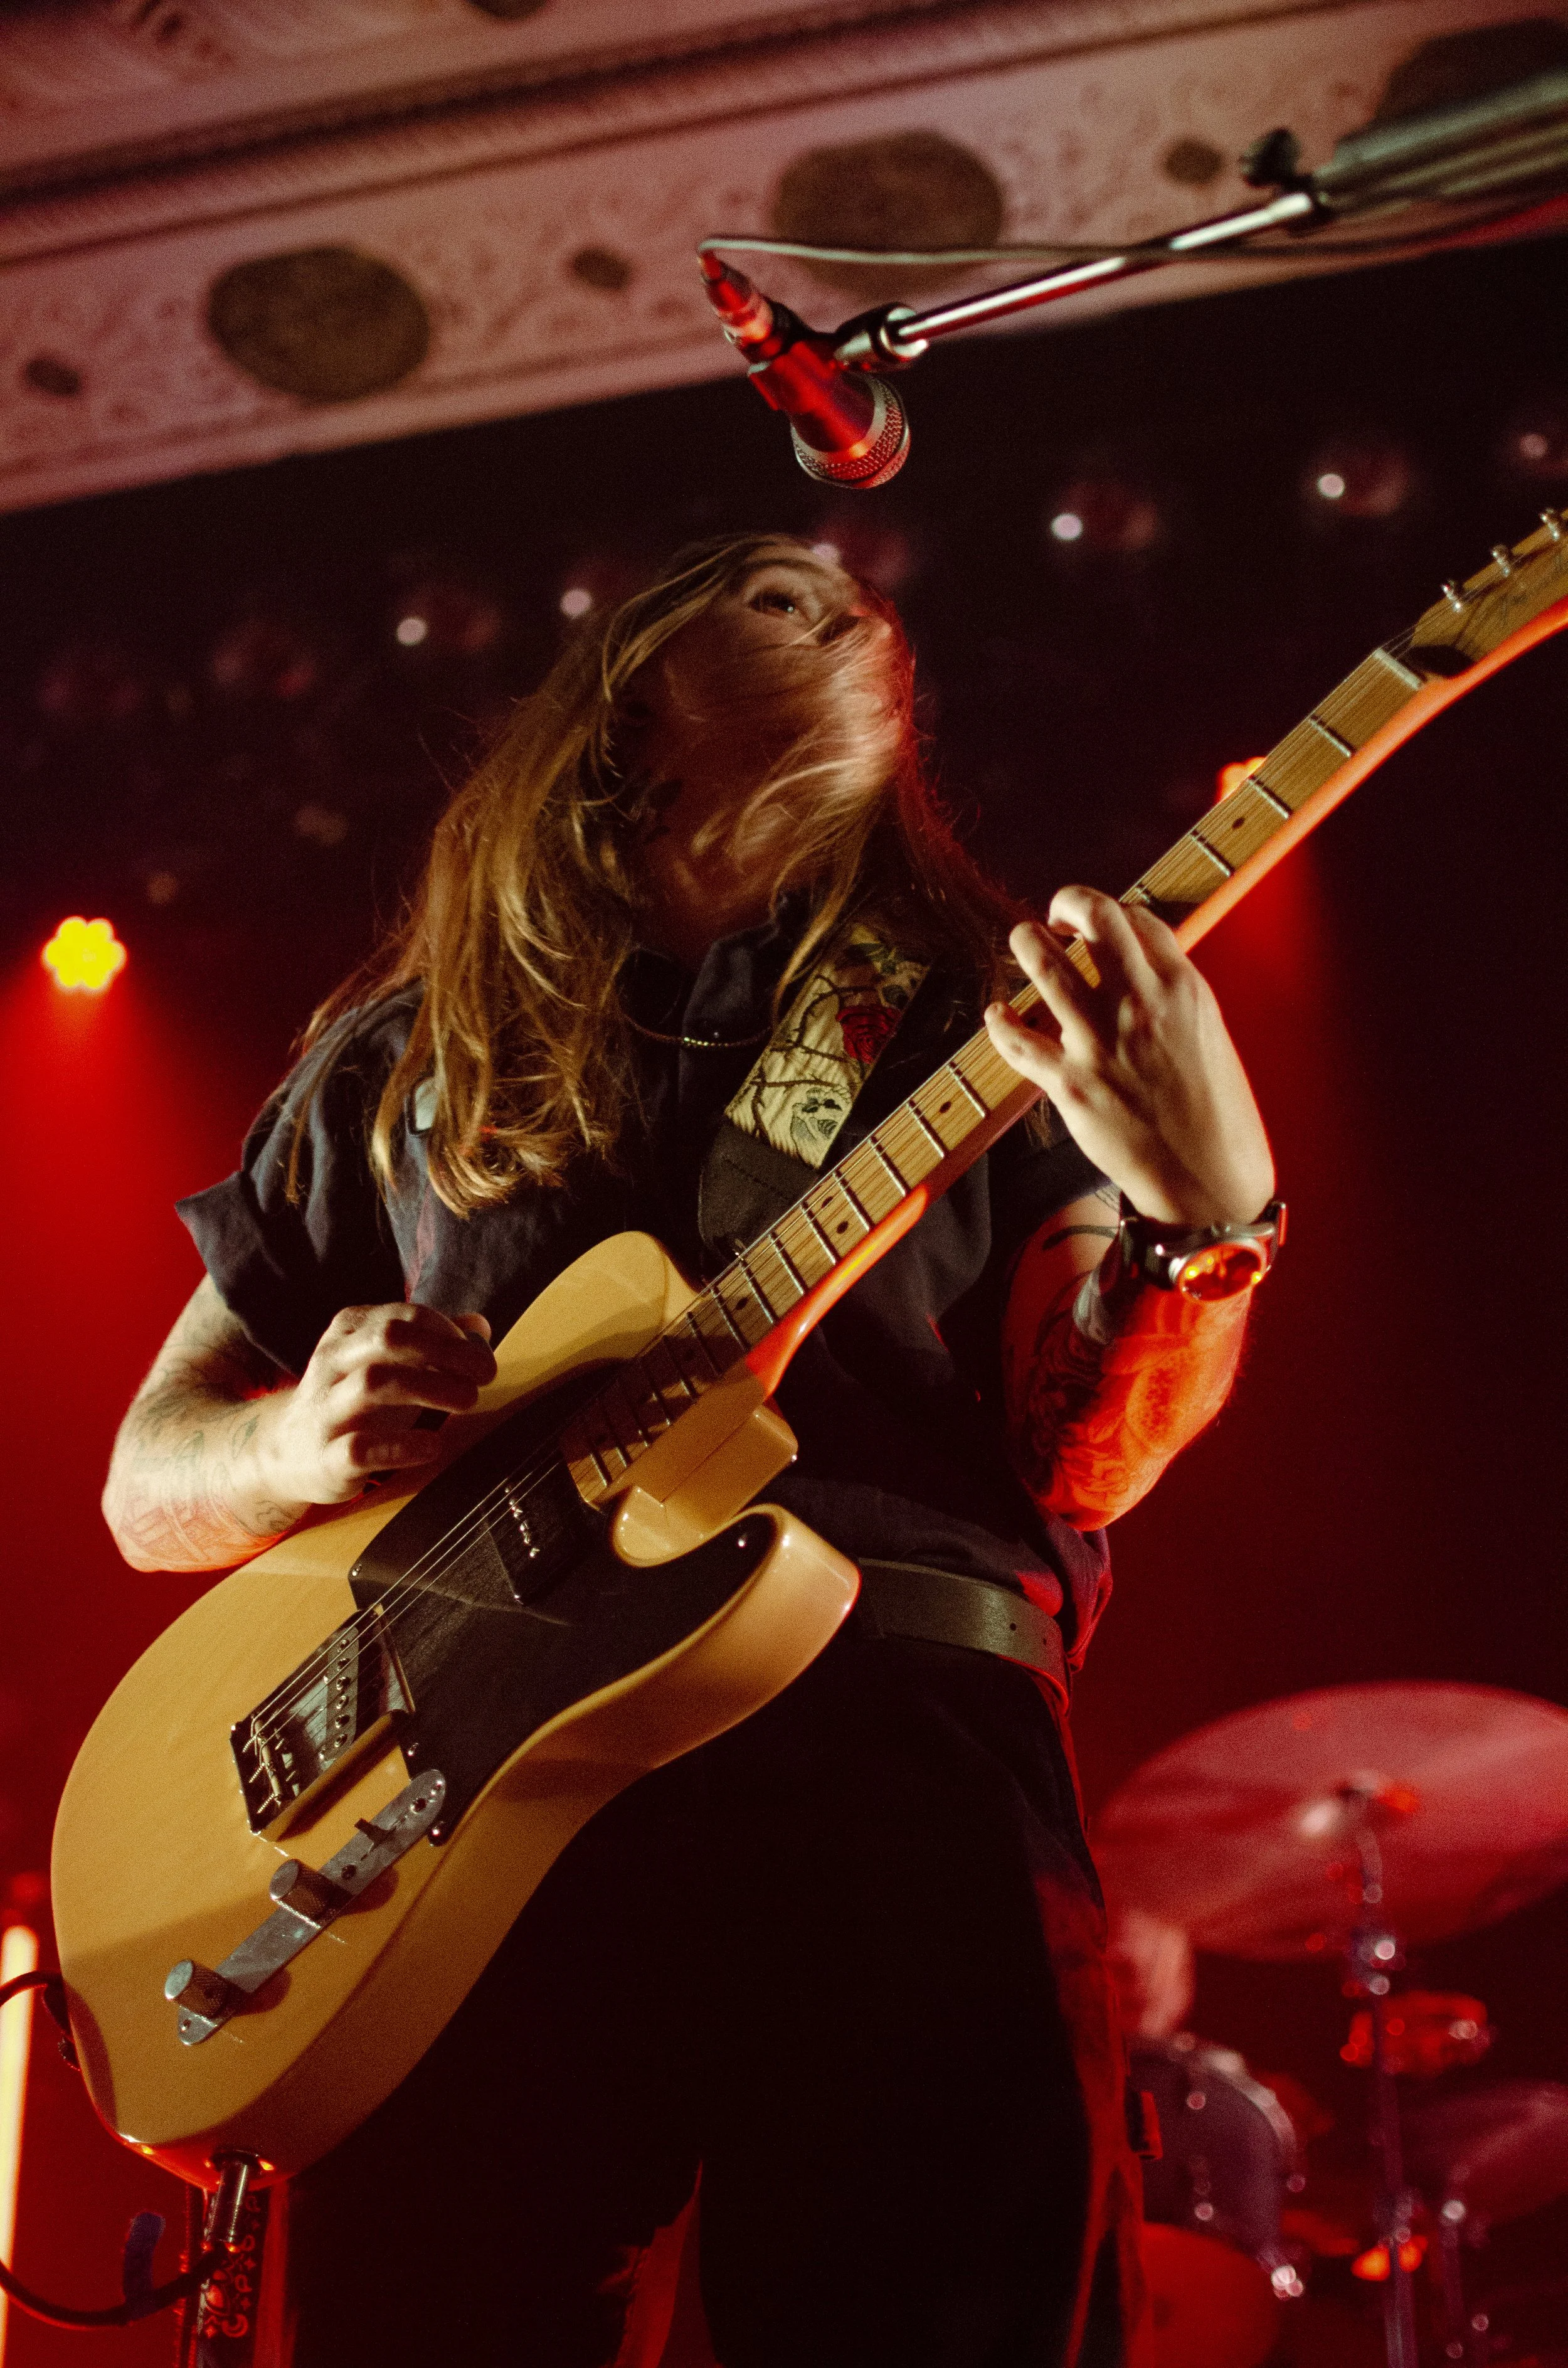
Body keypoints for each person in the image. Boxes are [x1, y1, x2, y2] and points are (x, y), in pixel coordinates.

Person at [102, 534, 1275, 2368]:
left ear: (888, 729)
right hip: (467, 1820)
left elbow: (1082, 1457)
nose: (820, 567)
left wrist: (1206, 1231)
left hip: (897, 1749)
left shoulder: (990, 1014)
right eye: (753, 571)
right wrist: (290, 1451)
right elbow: (145, 1478)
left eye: (845, 594)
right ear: (624, 696)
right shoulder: (401, 1064)